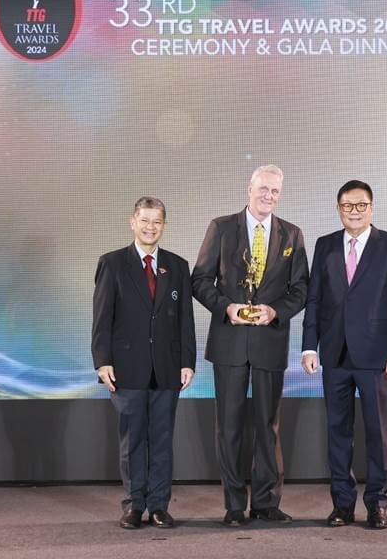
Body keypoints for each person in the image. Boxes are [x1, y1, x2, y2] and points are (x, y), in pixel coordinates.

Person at [192, 165, 309, 525]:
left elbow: (301, 288)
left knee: (267, 426)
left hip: (270, 343)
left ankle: (266, 502)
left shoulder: (292, 234)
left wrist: (275, 311)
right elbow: (199, 280)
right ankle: (233, 506)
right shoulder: (221, 227)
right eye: (263, 189)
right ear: (249, 189)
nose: (268, 196)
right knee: (228, 427)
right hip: (229, 342)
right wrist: (227, 307)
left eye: (275, 191)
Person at [302, 180, 387, 529]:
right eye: (348, 206)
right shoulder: (325, 245)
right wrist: (309, 346)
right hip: (334, 355)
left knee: (376, 432)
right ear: (339, 209)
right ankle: (342, 505)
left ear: (372, 208)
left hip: (376, 356)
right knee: (337, 431)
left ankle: (377, 504)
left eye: (361, 205)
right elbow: (314, 299)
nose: (354, 211)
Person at [91, 197, 196, 529]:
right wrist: (102, 361)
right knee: (133, 439)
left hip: (166, 367)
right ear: (132, 222)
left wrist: (187, 362)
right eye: (145, 220)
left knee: (162, 439)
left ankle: (159, 506)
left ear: (164, 226)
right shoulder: (112, 263)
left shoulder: (177, 266)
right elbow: (102, 318)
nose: (151, 227)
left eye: (157, 222)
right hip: (126, 367)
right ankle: (134, 505)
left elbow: (185, 321)